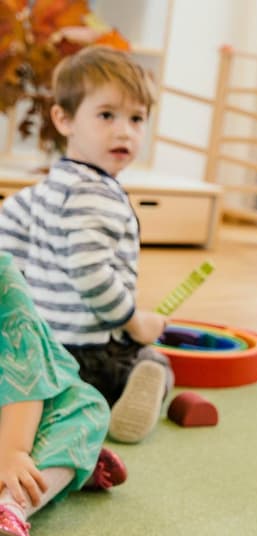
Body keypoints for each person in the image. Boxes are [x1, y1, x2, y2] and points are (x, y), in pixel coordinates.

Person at [0, 46, 172, 445]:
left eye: (137, 119)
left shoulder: (43, 189)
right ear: (63, 119)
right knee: (155, 360)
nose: (124, 131)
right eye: (106, 115)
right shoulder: (96, 195)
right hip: (91, 352)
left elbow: (6, 246)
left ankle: (42, 401)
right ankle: (125, 392)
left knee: (41, 387)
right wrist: (135, 321)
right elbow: (91, 274)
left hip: (41, 350)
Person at [0, 252, 127, 536]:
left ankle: (11, 507)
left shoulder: (4, 281)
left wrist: (12, 451)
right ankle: (72, 467)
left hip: (27, 407)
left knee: (87, 410)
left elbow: (27, 376)